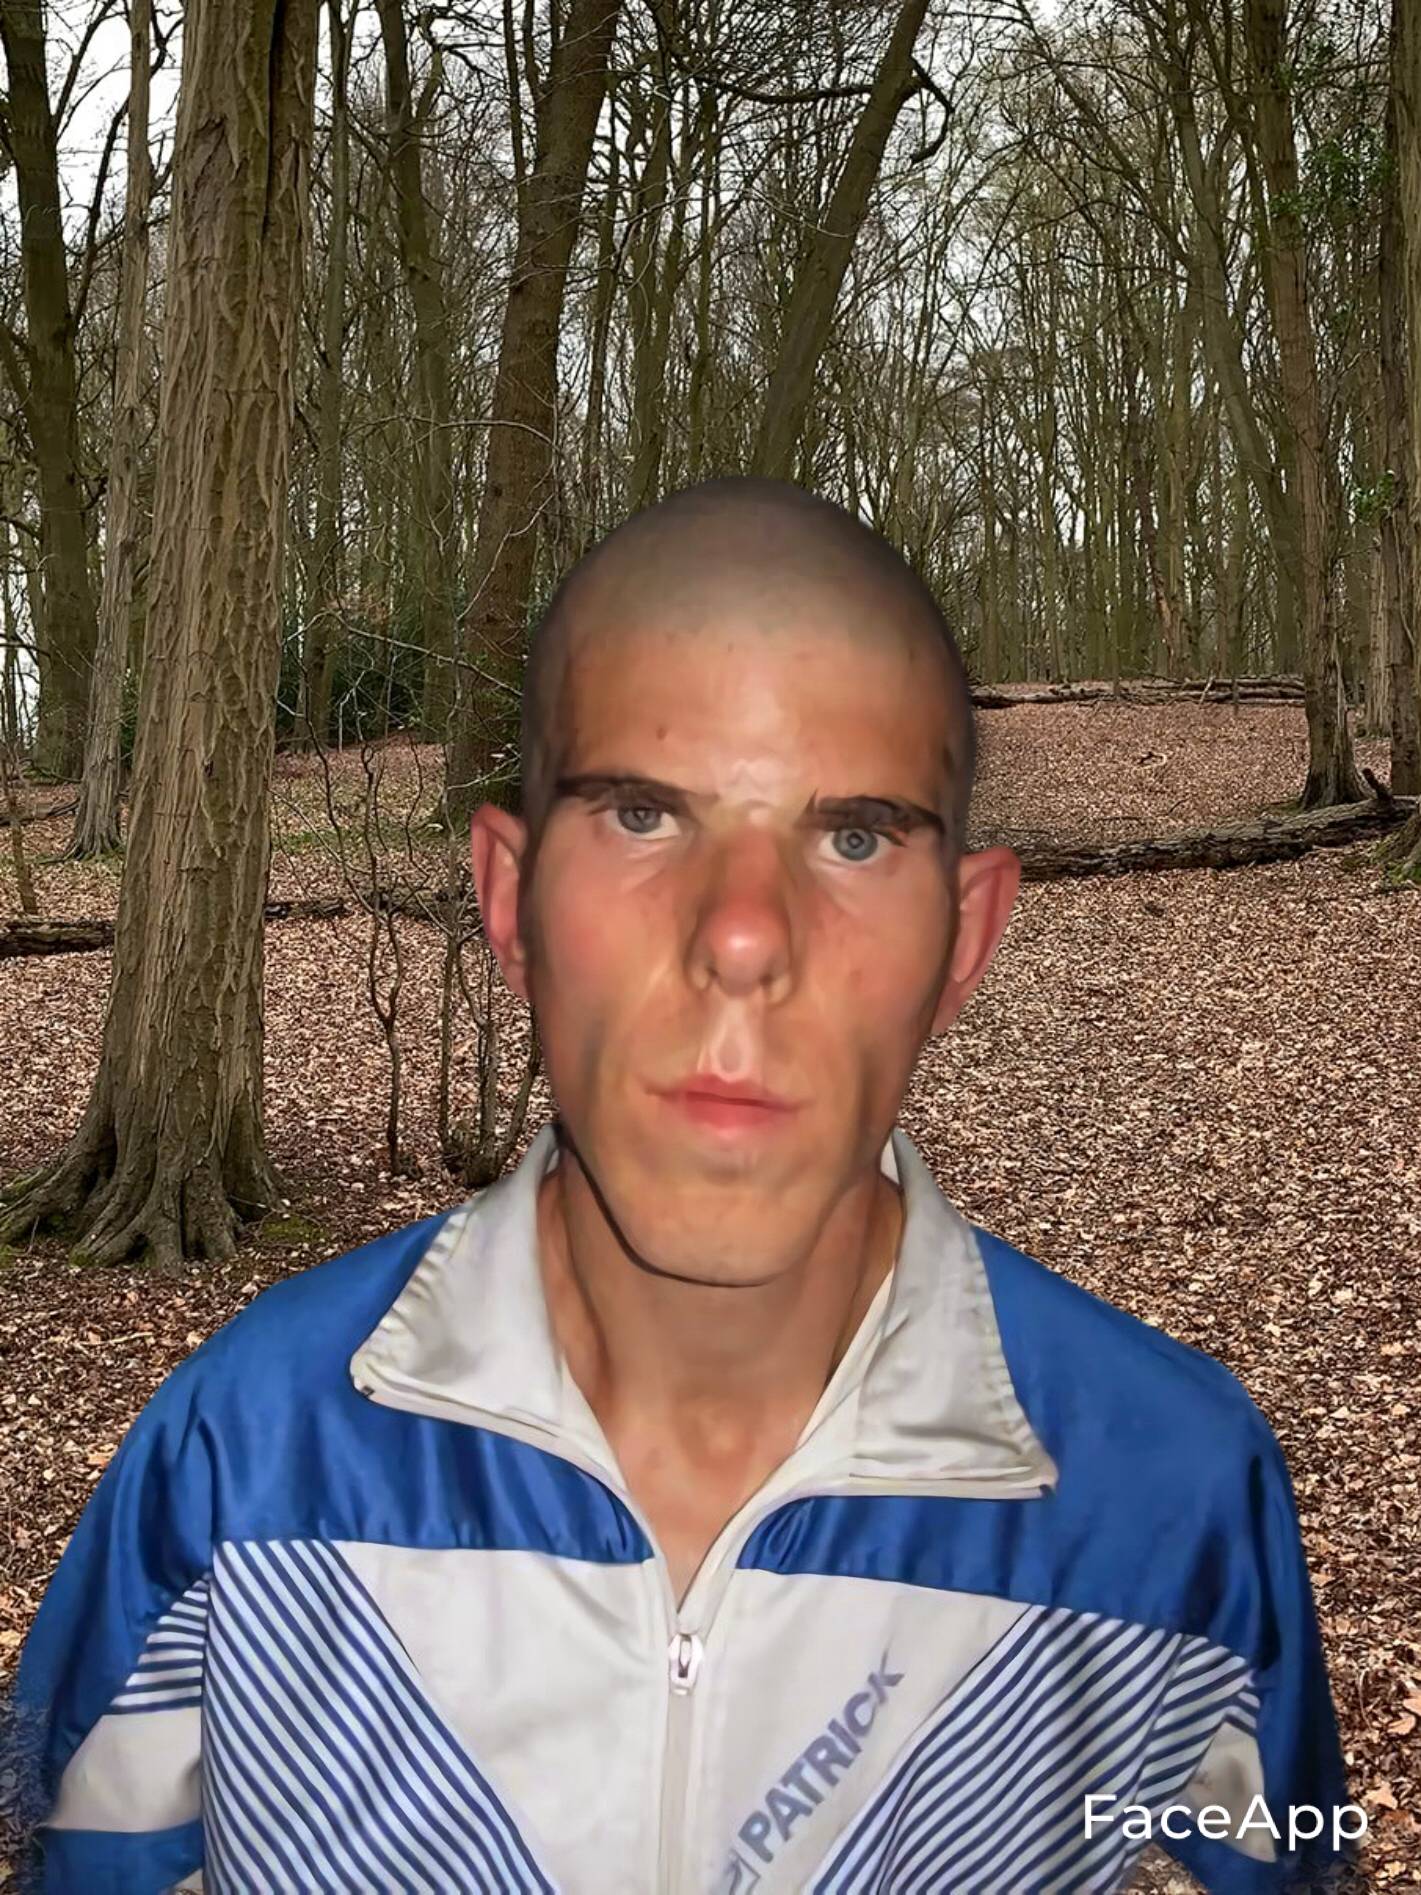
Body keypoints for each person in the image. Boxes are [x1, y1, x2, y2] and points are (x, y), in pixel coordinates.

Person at [5, 477, 1354, 1894]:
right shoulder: (242, 1458)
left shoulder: (1169, 1495)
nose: (744, 936)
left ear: (963, 941)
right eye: (644, 815)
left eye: (853, 836)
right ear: (511, 903)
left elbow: (1307, 1857)